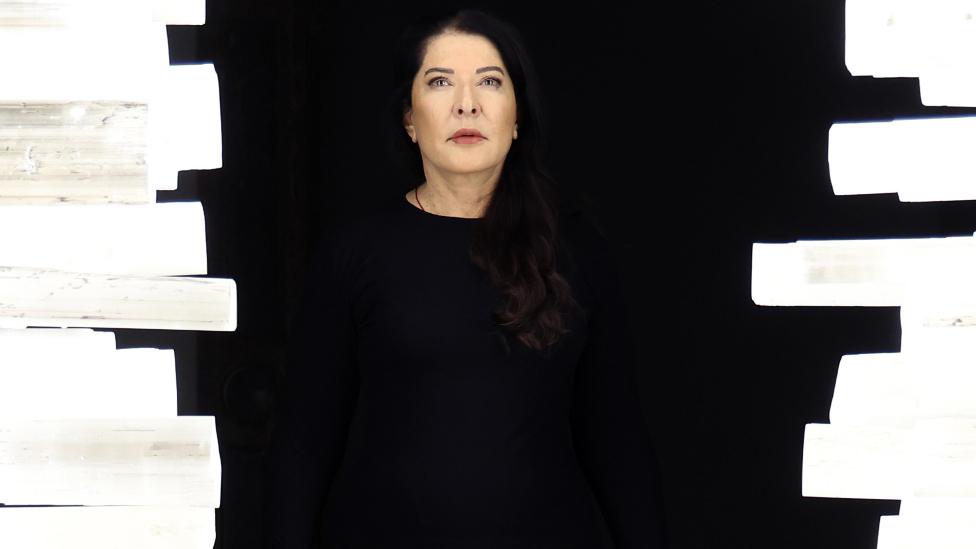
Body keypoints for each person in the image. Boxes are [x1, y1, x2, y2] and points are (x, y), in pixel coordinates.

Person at [265, 8, 667, 549]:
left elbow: (617, 442)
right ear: (410, 118)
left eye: (490, 82)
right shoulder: (354, 254)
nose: (466, 103)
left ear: (517, 114)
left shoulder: (576, 253)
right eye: (439, 83)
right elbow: (304, 445)